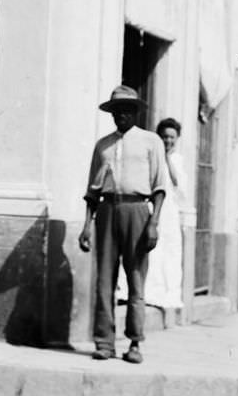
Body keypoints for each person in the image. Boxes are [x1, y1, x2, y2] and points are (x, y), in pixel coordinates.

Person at [78, 85, 168, 364]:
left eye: (127, 110)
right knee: (104, 279)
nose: (121, 115)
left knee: (136, 279)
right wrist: (87, 226)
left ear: (135, 112)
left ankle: (134, 342)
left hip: (137, 210)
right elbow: (92, 191)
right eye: (117, 111)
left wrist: (153, 222)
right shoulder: (102, 145)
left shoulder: (151, 141)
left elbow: (160, 187)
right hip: (107, 210)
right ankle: (104, 342)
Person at [143, 117, 187, 318]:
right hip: (153, 209)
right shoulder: (152, 157)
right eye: (164, 137)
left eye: (172, 137)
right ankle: (150, 293)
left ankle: (167, 296)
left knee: (170, 252)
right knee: (153, 251)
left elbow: (178, 184)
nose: (168, 141)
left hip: (170, 212)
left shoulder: (178, 160)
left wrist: (167, 158)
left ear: (176, 139)